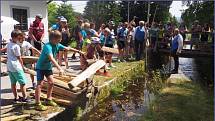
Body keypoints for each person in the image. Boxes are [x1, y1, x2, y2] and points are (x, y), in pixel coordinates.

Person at [35, 30, 82, 111]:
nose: (60, 40)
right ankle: (37, 103)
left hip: (48, 68)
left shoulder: (57, 45)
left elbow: (67, 48)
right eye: (59, 39)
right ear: (53, 39)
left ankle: (48, 99)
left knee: (51, 82)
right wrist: (59, 68)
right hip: (40, 67)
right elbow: (51, 58)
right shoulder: (47, 46)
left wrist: (78, 51)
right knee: (40, 84)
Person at [6, 30, 29, 102]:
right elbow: (19, 58)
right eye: (19, 38)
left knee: (13, 83)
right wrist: (23, 67)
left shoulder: (9, 44)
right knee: (22, 83)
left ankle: (16, 97)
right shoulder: (16, 46)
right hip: (16, 66)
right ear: (15, 38)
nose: (20, 40)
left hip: (9, 66)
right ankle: (25, 98)